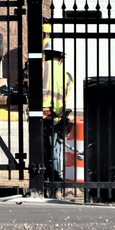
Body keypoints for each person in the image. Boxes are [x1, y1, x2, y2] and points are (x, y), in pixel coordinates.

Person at [41, 30, 72, 197]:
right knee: (55, 154)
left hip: (40, 117)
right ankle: (57, 189)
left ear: (46, 55)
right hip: (57, 119)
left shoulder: (41, 68)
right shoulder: (67, 76)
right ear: (61, 57)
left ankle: (43, 187)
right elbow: (65, 96)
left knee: (42, 154)